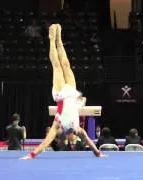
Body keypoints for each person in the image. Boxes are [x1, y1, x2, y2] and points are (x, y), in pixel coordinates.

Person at [21, 24, 105, 159]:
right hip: (71, 93)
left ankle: (52, 39)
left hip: (60, 94)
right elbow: (89, 140)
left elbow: (46, 141)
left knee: (57, 66)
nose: (72, 137)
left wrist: (32, 155)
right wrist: (98, 153)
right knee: (66, 64)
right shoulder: (77, 128)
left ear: (64, 135)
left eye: (69, 138)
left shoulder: (57, 124)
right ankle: (58, 40)